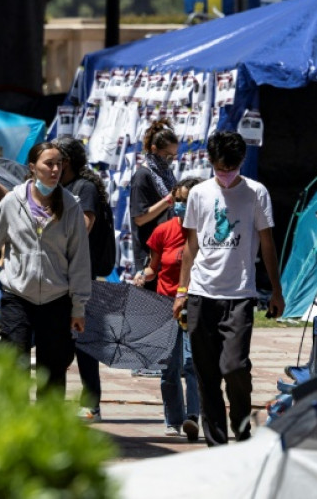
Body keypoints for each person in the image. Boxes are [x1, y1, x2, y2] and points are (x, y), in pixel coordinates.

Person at [171, 131, 285, 447]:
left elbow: (267, 242)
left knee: (235, 367)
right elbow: (191, 245)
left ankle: (241, 423)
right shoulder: (199, 194)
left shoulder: (256, 193)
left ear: (241, 162)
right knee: (206, 375)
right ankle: (216, 444)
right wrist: (182, 290)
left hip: (239, 295)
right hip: (201, 293)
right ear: (210, 162)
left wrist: (276, 290)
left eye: (231, 168)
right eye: (220, 168)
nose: (225, 174)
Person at [0, 142, 91, 399]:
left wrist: (78, 307)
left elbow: (79, 260)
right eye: (48, 164)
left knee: (53, 370)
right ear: (33, 168)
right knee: (15, 364)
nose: (55, 170)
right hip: (17, 296)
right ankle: (17, 425)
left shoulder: (71, 206)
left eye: (59, 164)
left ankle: (48, 428)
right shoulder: (12, 203)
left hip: (56, 299)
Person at [134, 177, 202, 441]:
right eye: (179, 200)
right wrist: (143, 275)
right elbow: (154, 267)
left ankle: (193, 417)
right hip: (166, 306)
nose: (182, 206)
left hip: (196, 304)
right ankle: (173, 419)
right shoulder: (163, 232)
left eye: (188, 200)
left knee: (191, 364)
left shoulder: (208, 232)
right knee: (169, 368)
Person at [57, 136, 107, 423]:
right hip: (58, 274)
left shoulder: (83, 188)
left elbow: (85, 226)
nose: (54, 166)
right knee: (62, 342)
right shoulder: (59, 188)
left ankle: (92, 403)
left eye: (58, 160)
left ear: (70, 161)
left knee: (84, 342)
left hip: (80, 275)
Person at [128, 119, 179, 377]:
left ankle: (161, 357)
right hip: (149, 247)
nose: (171, 160)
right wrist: (168, 200)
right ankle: (141, 360)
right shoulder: (143, 175)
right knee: (147, 303)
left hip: (168, 246)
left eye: (174, 156)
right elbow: (139, 217)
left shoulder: (165, 174)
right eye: (168, 155)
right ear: (156, 150)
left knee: (163, 305)